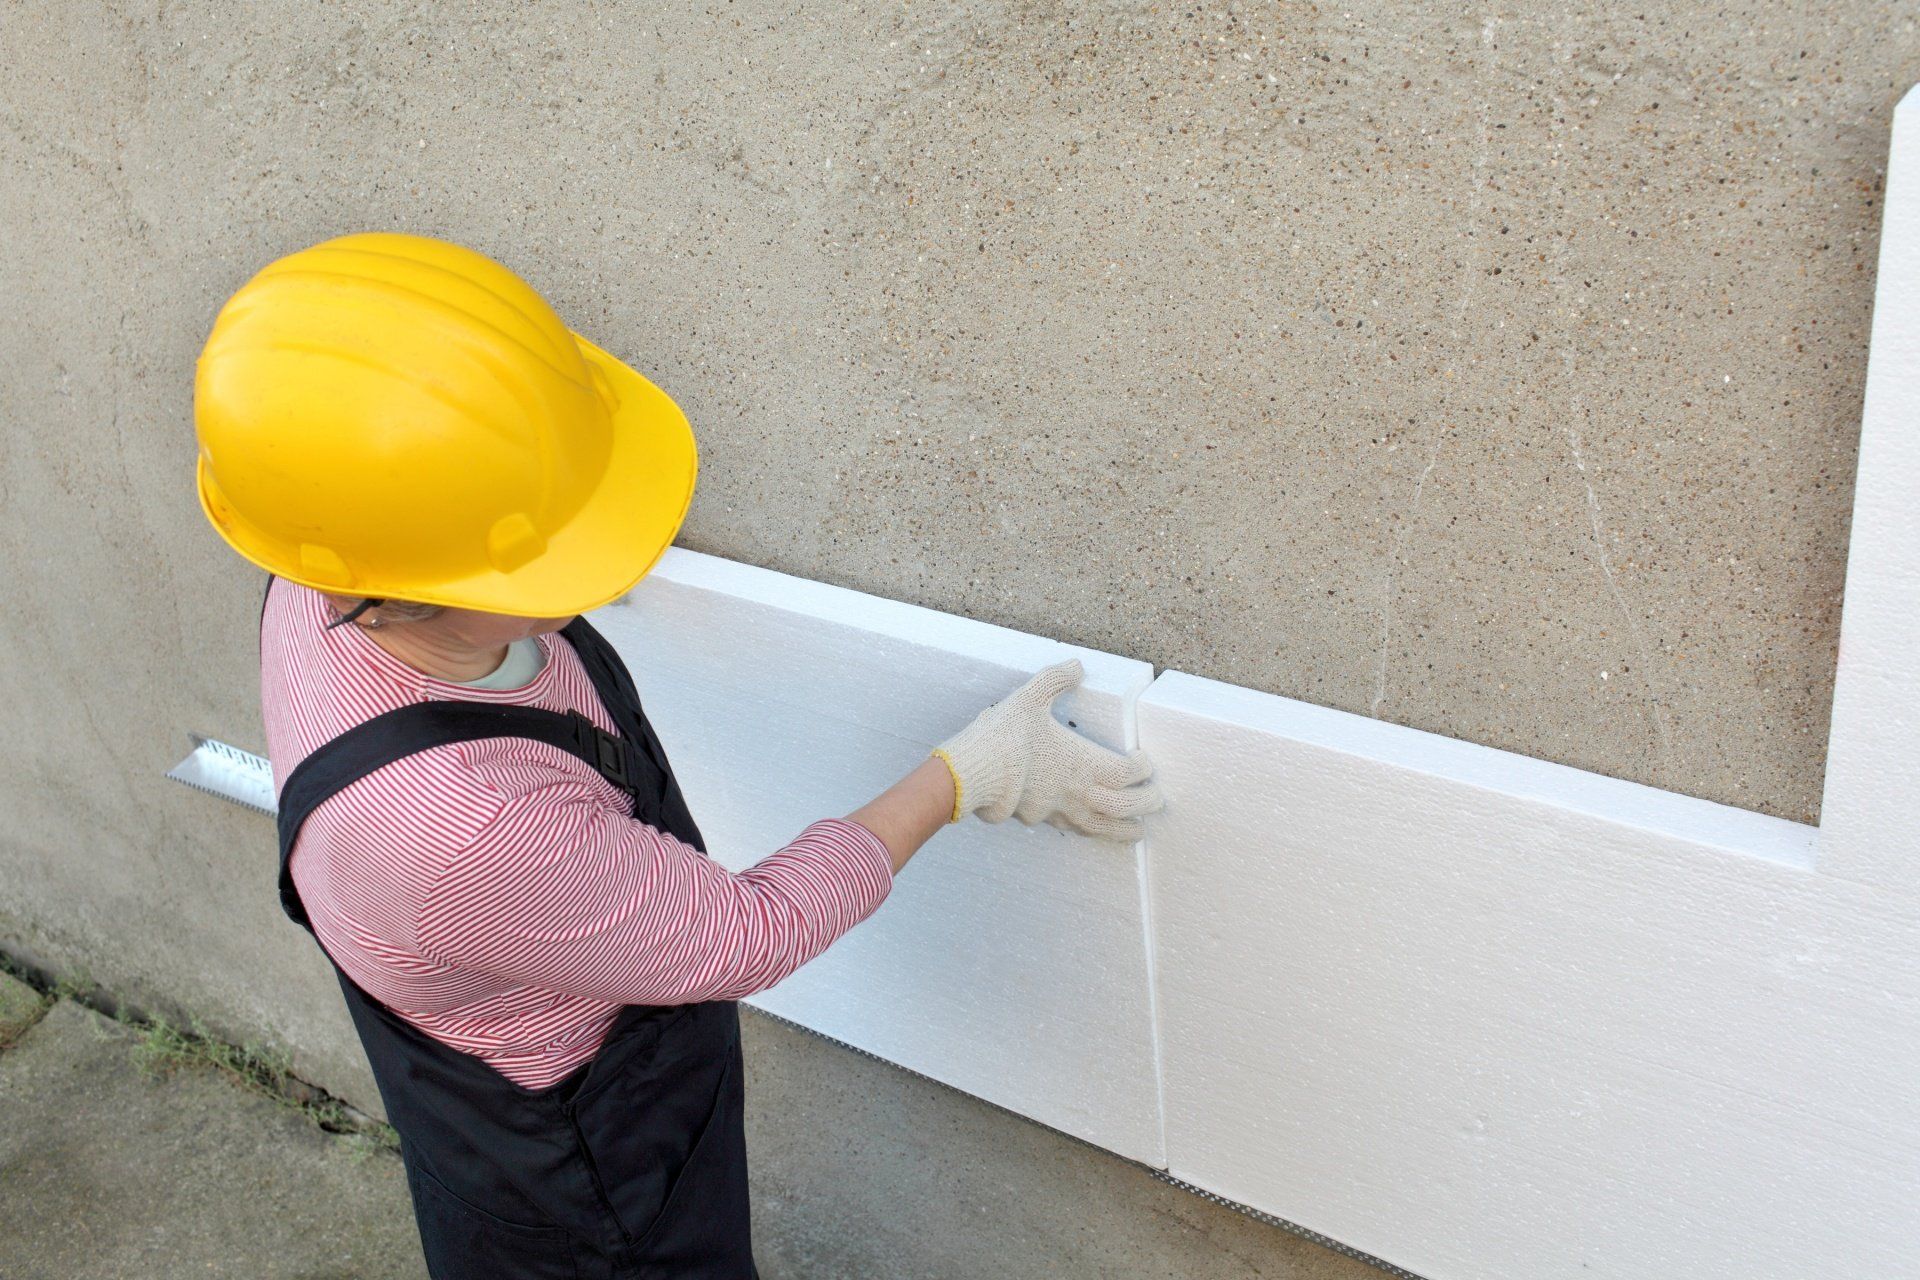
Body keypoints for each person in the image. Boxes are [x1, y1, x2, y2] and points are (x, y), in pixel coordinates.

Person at [195, 230, 1164, 1279]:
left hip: (498, 1070)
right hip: (588, 1185)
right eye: (562, 537)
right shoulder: (466, 828)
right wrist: (969, 773)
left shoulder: (322, 571)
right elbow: (747, 932)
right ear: (438, 582)